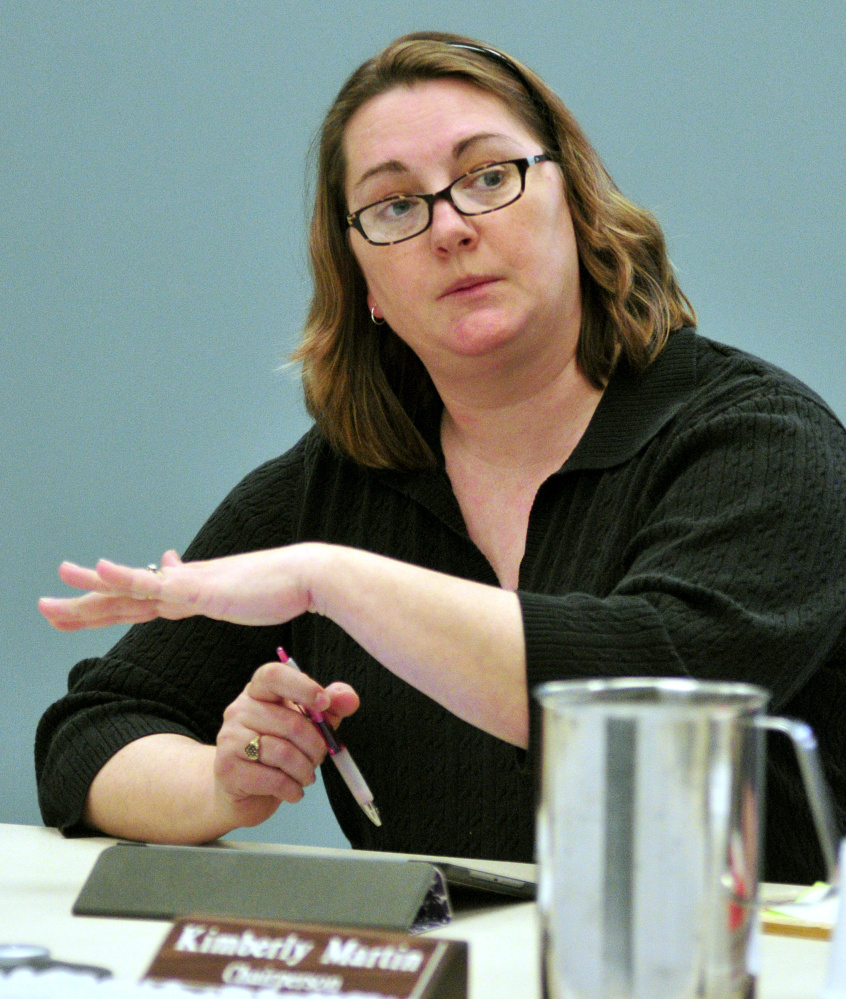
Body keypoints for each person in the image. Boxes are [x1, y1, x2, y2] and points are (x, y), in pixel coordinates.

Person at [36, 31, 846, 884]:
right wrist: (223, 779)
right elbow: (91, 734)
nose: (450, 227)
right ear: (365, 287)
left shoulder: (762, 440)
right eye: (394, 206)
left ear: (574, 203)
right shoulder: (330, 486)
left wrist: (332, 582)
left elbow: (643, 690)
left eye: (489, 177)